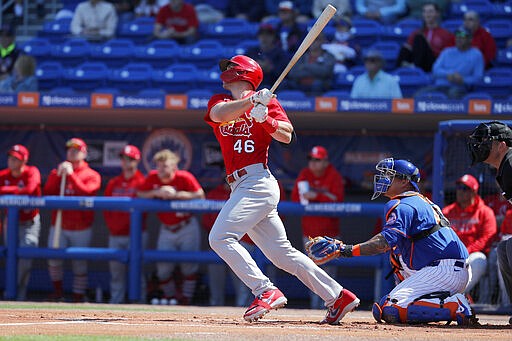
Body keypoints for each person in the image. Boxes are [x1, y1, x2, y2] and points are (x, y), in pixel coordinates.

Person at [204, 54, 359, 324]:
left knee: (219, 237)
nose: (226, 71)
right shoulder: (222, 102)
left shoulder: (269, 102)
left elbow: (286, 135)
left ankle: (264, 290)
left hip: (257, 182)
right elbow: (218, 116)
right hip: (240, 185)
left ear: (243, 73)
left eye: (231, 67)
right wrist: (250, 103)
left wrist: (267, 119)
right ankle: (337, 295)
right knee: (281, 254)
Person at [305, 158, 478, 325]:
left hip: (443, 270)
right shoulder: (421, 200)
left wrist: (345, 250)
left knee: (391, 308)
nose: (383, 179)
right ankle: (445, 301)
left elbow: (382, 243)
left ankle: (454, 306)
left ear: (404, 182)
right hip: (449, 268)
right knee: (395, 264)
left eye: (389, 176)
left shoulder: (402, 203)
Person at [137, 149, 205, 305]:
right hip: (166, 228)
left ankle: (185, 300)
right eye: (158, 166)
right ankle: (170, 297)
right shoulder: (153, 177)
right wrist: (156, 192)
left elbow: (200, 195)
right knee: (163, 269)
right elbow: (140, 194)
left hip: (186, 225)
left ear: (174, 167)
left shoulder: (184, 177)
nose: (160, 170)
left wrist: (178, 195)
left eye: (164, 166)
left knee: (189, 267)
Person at [44, 138, 101, 302]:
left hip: (81, 226)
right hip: (59, 225)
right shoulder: (58, 172)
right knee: (53, 260)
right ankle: (58, 293)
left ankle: (77, 298)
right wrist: (58, 175)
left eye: (76, 149)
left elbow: (87, 193)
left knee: (80, 265)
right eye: (69, 149)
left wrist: (71, 176)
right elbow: (47, 192)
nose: (72, 152)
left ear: (84, 153)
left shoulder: (92, 174)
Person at [467, 120, 512, 324]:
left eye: (488, 141)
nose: (481, 144)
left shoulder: (510, 162)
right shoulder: (504, 167)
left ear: (502, 145)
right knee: (504, 249)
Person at [290, 145, 345, 309]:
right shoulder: (304, 175)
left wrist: (318, 196)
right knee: (310, 272)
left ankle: (331, 306)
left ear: (325, 162)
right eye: (311, 160)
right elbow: (295, 200)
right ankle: (315, 307)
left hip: (330, 234)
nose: (313, 163)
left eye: (317, 160)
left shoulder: (333, 176)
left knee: (329, 273)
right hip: (309, 234)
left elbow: (339, 202)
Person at [442, 174, 498, 303]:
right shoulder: (447, 212)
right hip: (449, 257)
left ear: (473, 192)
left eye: (464, 188)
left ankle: (452, 296)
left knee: (480, 260)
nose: (460, 191)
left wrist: (466, 251)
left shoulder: (484, 212)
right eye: (459, 187)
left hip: (472, 256)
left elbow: (487, 237)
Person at [103, 145, 147, 304]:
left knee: (138, 271)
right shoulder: (114, 182)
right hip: (116, 234)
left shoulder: (143, 181)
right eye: (123, 158)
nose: (126, 162)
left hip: (136, 235)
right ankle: (116, 302)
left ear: (137, 161)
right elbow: (105, 208)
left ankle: (140, 303)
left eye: (130, 159)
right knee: (116, 273)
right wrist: (113, 226)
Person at [202, 180, 254, 307]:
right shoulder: (215, 193)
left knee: (242, 279)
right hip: (219, 242)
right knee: (216, 277)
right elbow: (206, 221)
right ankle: (215, 305)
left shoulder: (249, 191)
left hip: (243, 241)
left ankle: (242, 307)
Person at [0, 144, 41, 301]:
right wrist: (15, 189)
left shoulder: (32, 172)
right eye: (10, 158)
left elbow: (30, 189)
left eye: (16, 159)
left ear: (24, 160)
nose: (12, 161)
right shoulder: (3, 175)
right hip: (10, 223)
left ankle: (19, 294)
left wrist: (7, 190)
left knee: (26, 260)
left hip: (30, 222)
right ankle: (10, 293)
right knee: (10, 257)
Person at [415, 27, 484, 99]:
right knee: (419, 94)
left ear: (470, 39)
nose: (459, 39)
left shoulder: (476, 54)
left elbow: (478, 78)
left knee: (453, 94)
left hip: (459, 87)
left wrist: (463, 80)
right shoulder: (447, 52)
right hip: (440, 86)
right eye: (457, 36)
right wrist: (448, 74)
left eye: (462, 36)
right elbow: (435, 69)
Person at [396, 2, 454, 72]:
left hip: (434, 62)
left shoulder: (446, 34)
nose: (427, 14)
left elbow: (449, 54)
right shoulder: (416, 32)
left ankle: (415, 67)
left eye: (430, 12)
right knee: (405, 47)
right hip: (417, 59)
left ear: (437, 14)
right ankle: (400, 71)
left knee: (419, 38)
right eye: (425, 12)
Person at [246, 24, 288, 90]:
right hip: (254, 85)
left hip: (274, 86)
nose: (264, 37)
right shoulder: (251, 52)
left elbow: (284, 74)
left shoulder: (280, 53)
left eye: (268, 35)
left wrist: (271, 68)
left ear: (274, 36)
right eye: (262, 34)